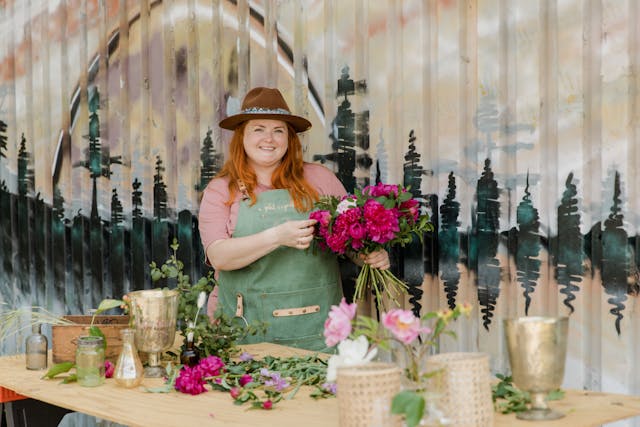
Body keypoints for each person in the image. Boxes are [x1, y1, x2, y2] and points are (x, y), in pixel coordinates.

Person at [198, 87, 389, 351]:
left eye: (279, 130)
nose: (270, 138)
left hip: (318, 328)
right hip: (245, 329)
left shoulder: (320, 179)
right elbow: (219, 256)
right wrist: (278, 237)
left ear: (289, 138)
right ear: (242, 136)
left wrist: (369, 253)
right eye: (259, 129)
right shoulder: (221, 190)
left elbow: (350, 242)